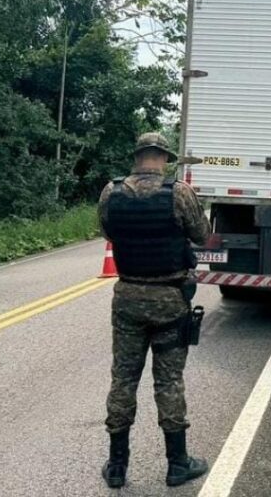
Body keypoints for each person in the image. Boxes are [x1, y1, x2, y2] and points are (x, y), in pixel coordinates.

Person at [97, 132, 210, 490]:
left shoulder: (110, 192)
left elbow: (106, 231)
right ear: (163, 156)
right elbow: (202, 236)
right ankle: (177, 464)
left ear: (137, 156)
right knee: (169, 382)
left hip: (127, 297)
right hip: (169, 299)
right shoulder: (178, 193)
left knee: (123, 380)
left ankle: (117, 466)